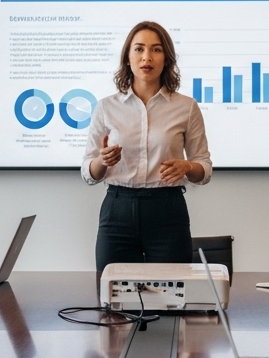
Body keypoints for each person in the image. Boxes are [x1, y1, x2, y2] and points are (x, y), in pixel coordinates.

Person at [82, 21, 212, 274]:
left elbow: (204, 169)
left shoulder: (186, 107)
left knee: (171, 300)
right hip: (117, 210)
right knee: (113, 302)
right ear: (127, 58)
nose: (147, 57)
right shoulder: (106, 107)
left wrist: (187, 166)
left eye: (156, 50)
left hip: (167, 211)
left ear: (167, 59)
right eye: (139, 49)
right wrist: (102, 161)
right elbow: (89, 173)